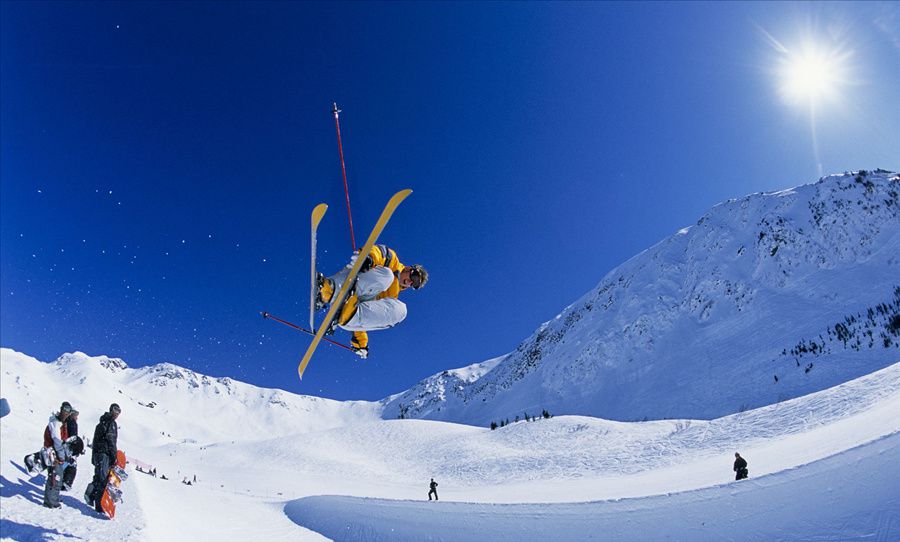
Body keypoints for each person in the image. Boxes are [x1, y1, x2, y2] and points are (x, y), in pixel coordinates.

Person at [316, 244, 428, 358]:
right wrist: (369, 258)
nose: (410, 282)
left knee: (400, 310)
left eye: (414, 284)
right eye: (413, 277)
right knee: (387, 276)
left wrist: (361, 341)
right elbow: (380, 252)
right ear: (409, 268)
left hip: (349, 309)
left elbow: (369, 314)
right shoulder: (392, 261)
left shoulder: (391, 298)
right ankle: (328, 290)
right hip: (347, 283)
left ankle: (346, 315)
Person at [86, 403, 121, 514]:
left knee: (98, 477)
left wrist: (94, 457)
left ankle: (91, 495)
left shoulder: (102, 423)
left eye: (119, 411)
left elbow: (95, 441)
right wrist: (114, 457)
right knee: (103, 480)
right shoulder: (110, 423)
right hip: (104, 454)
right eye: (115, 411)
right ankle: (100, 505)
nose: (117, 414)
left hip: (99, 454)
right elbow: (111, 442)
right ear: (111, 410)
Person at [41, 401, 72, 508]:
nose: (66, 413)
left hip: (56, 453)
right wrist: (62, 456)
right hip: (52, 454)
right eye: (65, 410)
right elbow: (57, 441)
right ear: (61, 409)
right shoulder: (56, 423)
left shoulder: (62, 423)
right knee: (55, 477)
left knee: (57, 476)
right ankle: (50, 502)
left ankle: (53, 499)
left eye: (69, 411)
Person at [61, 409, 80, 491]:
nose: (76, 417)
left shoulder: (67, 422)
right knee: (71, 464)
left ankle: (63, 481)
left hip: (66, 445)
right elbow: (73, 436)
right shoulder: (72, 423)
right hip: (69, 447)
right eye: (75, 415)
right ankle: (66, 482)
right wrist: (75, 447)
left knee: (66, 464)